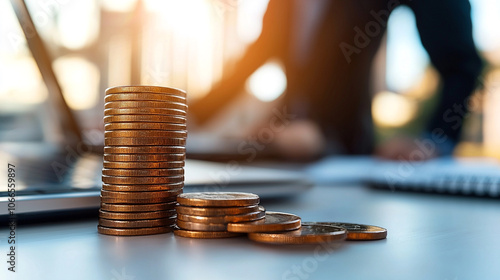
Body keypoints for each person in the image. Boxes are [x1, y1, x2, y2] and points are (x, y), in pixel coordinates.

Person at [190, 0, 483, 161]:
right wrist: (188, 115)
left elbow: (461, 62)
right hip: (280, 154)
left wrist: (436, 139)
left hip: (347, 156)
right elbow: (255, 56)